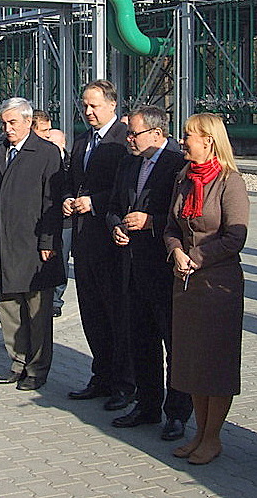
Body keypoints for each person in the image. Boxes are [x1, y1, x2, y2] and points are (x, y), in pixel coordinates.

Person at [164, 113, 249, 464]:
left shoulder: (230, 182)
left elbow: (235, 237)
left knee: (216, 364)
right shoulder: (184, 177)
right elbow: (171, 225)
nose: (182, 141)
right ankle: (199, 433)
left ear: (208, 141)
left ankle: (213, 437)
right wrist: (176, 251)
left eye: (188, 135)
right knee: (192, 363)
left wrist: (196, 257)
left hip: (218, 285)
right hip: (186, 285)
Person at [106, 106, 192, 441]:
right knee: (141, 341)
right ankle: (147, 405)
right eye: (128, 132)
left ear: (157, 134)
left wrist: (151, 221)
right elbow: (115, 206)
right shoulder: (129, 162)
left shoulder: (177, 165)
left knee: (174, 344)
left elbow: (185, 218)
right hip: (133, 268)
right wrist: (117, 226)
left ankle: (177, 413)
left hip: (164, 269)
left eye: (134, 133)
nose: (128, 139)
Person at [0, 97, 63, 391]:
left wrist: (48, 241)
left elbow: (52, 202)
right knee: (10, 308)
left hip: (34, 245)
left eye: (13, 122)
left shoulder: (46, 153)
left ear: (28, 122)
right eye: (4, 123)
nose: (7, 128)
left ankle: (37, 369)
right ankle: (17, 363)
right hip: (3, 243)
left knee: (37, 311)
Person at [63, 80, 135, 410]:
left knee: (117, 313)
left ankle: (125, 382)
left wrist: (94, 202)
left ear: (112, 105)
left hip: (112, 242)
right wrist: (67, 198)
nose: (88, 111)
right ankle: (101, 374)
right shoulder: (82, 141)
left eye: (94, 105)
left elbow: (127, 189)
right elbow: (71, 181)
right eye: (84, 105)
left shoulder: (123, 140)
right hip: (84, 242)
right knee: (91, 313)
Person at [48, 129, 72, 318]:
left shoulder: (71, 163)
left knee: (62, 261)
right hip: (48, 218)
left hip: (66, 221)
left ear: (63, 144)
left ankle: (56, 300)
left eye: (54, 143)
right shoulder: (44, 160)